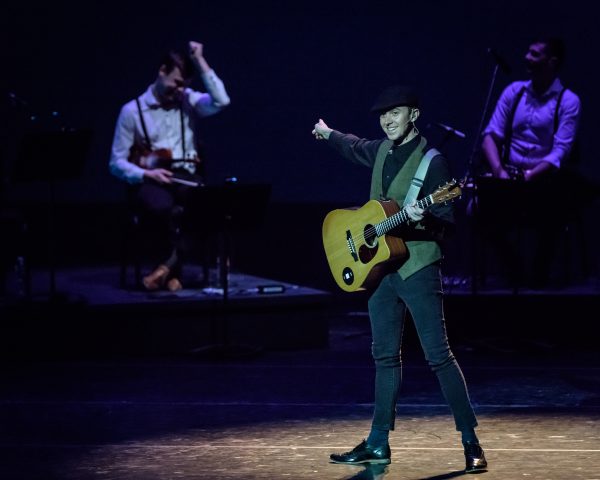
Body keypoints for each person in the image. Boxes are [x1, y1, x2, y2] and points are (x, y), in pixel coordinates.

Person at [312, 85, 487, 473]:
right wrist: (327, 134)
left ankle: (470, 441)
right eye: (382, 115)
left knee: (438, 356)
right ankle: (377, 443)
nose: (388, 120)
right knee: (384, 356)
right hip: (380, 270)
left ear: (414, 116)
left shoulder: (432, 163)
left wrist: (424, 217)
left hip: (418, 267)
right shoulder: (380, 151)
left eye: (396, 113)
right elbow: (353, 145)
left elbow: (447, 226)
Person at [109, 41, 230, 291]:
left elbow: (221, 100)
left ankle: (166, 268)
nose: (179, 88)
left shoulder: (188, 100)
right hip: (150, 179)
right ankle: (175, 273)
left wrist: (199, 61)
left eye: (184, 84)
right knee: (164, 207)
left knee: (208, 206)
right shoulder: (131, 111)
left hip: (185, 176)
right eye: (176, 81)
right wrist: (146, 173)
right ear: (162, 71)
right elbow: (116, 162)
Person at [479, 36, 581, 288]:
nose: (526, 58)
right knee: (478, 209)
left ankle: (538, 280)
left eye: (534, 54)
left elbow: (560, 152)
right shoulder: (514, 92)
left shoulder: (568, 101)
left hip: (543, 179)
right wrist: (500, 172)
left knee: (552, 212)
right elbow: (491, 136)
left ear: (552, 62)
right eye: (528, 52)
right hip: (508, 176)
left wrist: (530, 176)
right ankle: (516, 271)